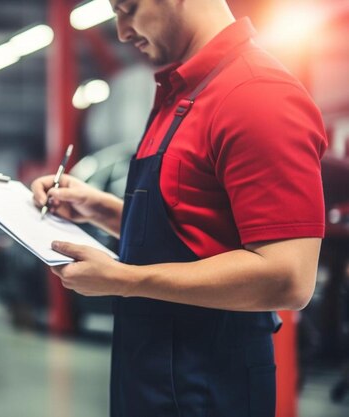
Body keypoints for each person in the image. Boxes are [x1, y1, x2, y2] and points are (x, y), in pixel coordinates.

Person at [31, 1, 328, 416]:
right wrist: (99, 210)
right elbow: (190, 232)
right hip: (150, 375)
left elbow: (288, 278)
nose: (121, 31)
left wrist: (126, 280)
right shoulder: (182, 94)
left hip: (208, 388)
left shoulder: (258, 96)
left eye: (127, 9)